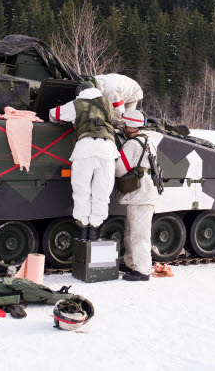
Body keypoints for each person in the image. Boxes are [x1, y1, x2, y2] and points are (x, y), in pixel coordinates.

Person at [49, 80, 118, 239]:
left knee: (81, 191)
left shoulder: (77, 103)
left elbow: (56, 114)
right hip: (107, 150)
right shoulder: (107, 104)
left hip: (85, 149)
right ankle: (94, 229)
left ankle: (82, 228)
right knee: (102, 192)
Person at [113, 109, 159, 282]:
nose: (123, 127)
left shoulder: (132, 145)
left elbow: (119, 169)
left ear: (131, 126)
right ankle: (131, 263)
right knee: (131, 230)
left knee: (139, 234)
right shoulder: (149, 140)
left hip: (140, 194)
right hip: (145, 192)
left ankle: (142, 271)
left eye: (125, 124)